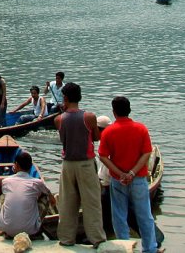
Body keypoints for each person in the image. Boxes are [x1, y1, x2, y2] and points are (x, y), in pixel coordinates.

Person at [98, 96, 159, 253]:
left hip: (118, 180)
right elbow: (146, 153)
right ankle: (150, 249)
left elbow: (103, 156)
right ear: (129, 110)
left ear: (114, 112)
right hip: (138, 179)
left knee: (119, 216)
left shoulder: (108, 132)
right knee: (145, 215)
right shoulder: (141, 129)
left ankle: (124, 248)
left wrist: (120, 173)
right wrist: (132, 173)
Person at [55, 82, 106, 247]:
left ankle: (66, 238)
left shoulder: (58, 119)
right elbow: (96, 137)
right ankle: (97, 239)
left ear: (66, 98)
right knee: (91, 202)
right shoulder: (89, 117)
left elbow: (63, 140)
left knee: (67, 203)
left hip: (67, 165)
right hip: (85, 163)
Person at [0, 150, 57, 238]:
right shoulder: (37, 182)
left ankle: (11, 225)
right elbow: (52, 200)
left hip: (8, 230)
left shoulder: (6, 181)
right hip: (30, 231)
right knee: (45, 196)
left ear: (16, 165)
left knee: (2, 197)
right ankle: (38, 223)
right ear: (30, 166)